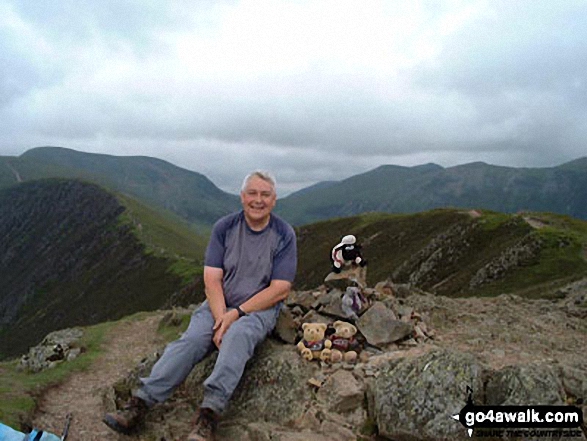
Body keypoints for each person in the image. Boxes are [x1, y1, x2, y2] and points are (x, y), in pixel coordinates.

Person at [103, 171, 297, 441]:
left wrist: (235, 316)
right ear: (242, 197)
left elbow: (280, 288)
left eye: (265, 195)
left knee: (238, 337)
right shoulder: (225, 228)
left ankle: (208, 415)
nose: (258, 200)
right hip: (219, 302)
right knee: (191, 341)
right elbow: (211, 279)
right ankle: (139, 404)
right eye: (252, 193)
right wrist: (221, 318)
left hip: (258, 308)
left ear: (274, 200)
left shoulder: (283, 234)